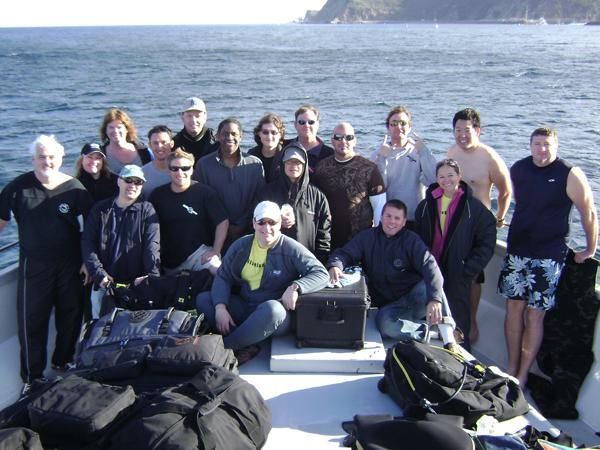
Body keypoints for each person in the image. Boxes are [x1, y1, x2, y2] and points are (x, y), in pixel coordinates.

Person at [498, 127, 597, 386]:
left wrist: (590, 249)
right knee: (513, 308)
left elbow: (588, 212)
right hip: (518, 250)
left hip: (548, 256)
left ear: (556, 146)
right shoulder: (518, 169)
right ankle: (511, 366)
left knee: (534, 314)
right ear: (530, 145)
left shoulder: (569, 174)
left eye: (547, 144)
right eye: (537, 144)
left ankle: (523, 374)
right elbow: (510, 198)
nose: (542, 149)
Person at [0, 135, 93, 393]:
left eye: (52, 156)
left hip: (70, 263)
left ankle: (63, 361)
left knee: (71, 314)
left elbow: (92, 228)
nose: (47, 161)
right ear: (33, 159)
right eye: (41, 156)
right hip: (34, 265)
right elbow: (1, 220)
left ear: (61, 158)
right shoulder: (18, 188)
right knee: (32, 320)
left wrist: (88, 261)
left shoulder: (74, 188)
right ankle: (32, 376)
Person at [196, 201, 329, 360]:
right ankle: (247, 342)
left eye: (272, 222)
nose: (267, 228)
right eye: (261, 222)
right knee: (203, 299)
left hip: (271, 315)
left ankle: (225, 347)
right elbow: (223, 276)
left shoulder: (290, 248)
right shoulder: (241, 245)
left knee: (274, 310)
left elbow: (321, 273)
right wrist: (220, 308)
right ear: (253, 223)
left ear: (280, 223)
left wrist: (295, 287)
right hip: (245, 306)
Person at [327, 199, 457, 348]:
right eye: (388, 216)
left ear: (403, 222)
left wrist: (435, 300)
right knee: (385, 325)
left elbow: (431, 267)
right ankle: (429, 333)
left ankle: (448, 336)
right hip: (391, 307)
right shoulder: (367, 238)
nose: (391, 222)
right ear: (381, 217)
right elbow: (344, 253)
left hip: (414, 297)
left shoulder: (411, 240)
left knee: (430, 286)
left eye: (397, 218)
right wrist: (335, 266)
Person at [415, 159, 496, 350]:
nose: (446, 180)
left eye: (450, 175)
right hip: (430, 272)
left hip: (458, 273)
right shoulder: (426, 205)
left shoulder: (473, 208)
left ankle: (461, 360)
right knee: (428, 317)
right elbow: (416, 239)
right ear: (436, 179)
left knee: (458, 320)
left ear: (459, 177)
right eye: (441, 176)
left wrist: (469, 269)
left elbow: (487, 239)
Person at [447, 107, 512, 343]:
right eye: (457, 130)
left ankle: (471, 323)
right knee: (452, 270)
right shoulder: (453, 151)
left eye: (467, 130)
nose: (461, 135)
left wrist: (500, 217)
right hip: (455, 221)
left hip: (479, 225)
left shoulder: (489, 157)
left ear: (477, 130)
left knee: (473, 276)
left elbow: (506, 191)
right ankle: (452, 319)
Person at [81, 165, 160, 319]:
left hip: (137, 284)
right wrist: (99, 274)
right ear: (119, 182)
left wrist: (151, 276)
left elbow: (152, 246)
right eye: (128, 180)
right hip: (105, 282)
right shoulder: (100, 210)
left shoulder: (147, 210)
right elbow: (87, 243)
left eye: (138, 182)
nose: (132, 185)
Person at [150, 149, 228, 276]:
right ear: (168, 170)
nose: (180, 172)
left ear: (192, 170)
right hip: (169, 261)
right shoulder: (157, 195)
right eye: (175, 168)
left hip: (199, 254)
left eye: (185, 168)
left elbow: (222, 222)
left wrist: (215, 250)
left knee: (220, 273)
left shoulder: (205, 193)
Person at [312, 122, 386, 250]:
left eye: (348, 137)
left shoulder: (369, 169)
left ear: (355, 141)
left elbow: (379, 207)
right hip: (327, 239)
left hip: (361, 240)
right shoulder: (321, 168)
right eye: (338, 137)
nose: (343, 141)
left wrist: (379, 239)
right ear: (332, 141)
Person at [193, 118, 265, 247]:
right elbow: (200, 200)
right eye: (225, 134)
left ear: (241, 136)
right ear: (218, 137)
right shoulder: (204, 165)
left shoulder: (255, 164)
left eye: (234, 134)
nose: (229, 137)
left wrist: (242, 224)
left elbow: (259, 198)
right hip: (214, 233)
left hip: (249, 230)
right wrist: (222, 224)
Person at [258, 143, 331, 263]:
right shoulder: (267, 193)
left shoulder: (318, 196)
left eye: (298, 162)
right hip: (273, 260)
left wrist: (319, 263)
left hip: (306, 260)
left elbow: (324, 234)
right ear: (282, 164)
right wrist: (275, 221)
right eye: (289, 161)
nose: (293, 166)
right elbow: (255, 224)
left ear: (304, 165)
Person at [371, 106, 437, 225]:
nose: (398, 127)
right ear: (388, 128)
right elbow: (377, 187)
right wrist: (381, 158)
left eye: (403, 123)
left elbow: (432, 180)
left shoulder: (418, 151)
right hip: (387, 220)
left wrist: (424, 152)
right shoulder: (378, 153)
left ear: (409, 127)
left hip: (413, 219)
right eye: (394, 123)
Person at [99, 108, 152, 175]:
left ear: (127, 129)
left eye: (119, 127)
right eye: (111, 127)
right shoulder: (100, 154)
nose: (115, 131)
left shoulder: (144, 151)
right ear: (105, 130)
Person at [288, 104, 333, 174]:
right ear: (295, 125)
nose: (306, 125)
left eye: (311, 122)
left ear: (318, 125)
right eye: (302, 122)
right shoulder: (284, 147)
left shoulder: (330, 154)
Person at [173, 96, 217, 164]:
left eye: (197, 116)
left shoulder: (217, 141)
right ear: (182, 117)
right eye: (189, 116)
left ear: (205, 117)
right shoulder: (174, 144)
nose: (193, 120)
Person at [248, 113, 285, 182]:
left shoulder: (286, 155)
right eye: (265, 132)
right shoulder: (251, 155)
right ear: (259, 133)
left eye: (273, 132)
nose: (269, 136)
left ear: (280, 134)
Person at [142, 125, 175, 196]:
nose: (159, 147)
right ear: (150, 145)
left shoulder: (183, 171)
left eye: (164, 142)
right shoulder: (142, 174)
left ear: (171, 144)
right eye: (155, 143)